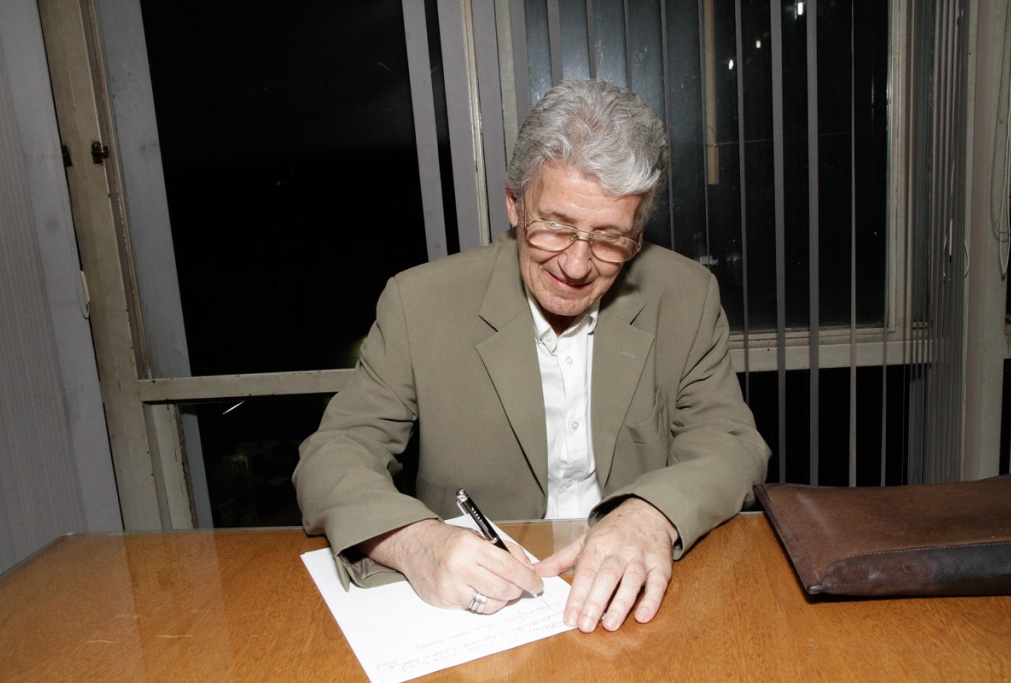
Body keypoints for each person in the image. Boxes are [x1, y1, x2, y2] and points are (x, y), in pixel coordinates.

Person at [294, 78, 770, 633]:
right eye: (555, 227)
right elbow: (335, 453)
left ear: (638, 234)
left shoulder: (685, 294)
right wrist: (415, 543)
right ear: (514, 204)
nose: (575, 265)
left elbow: (730, 442)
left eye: (610, 239)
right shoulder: (418, 301)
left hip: (641, 599)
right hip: (479, 612)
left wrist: (652, 514)